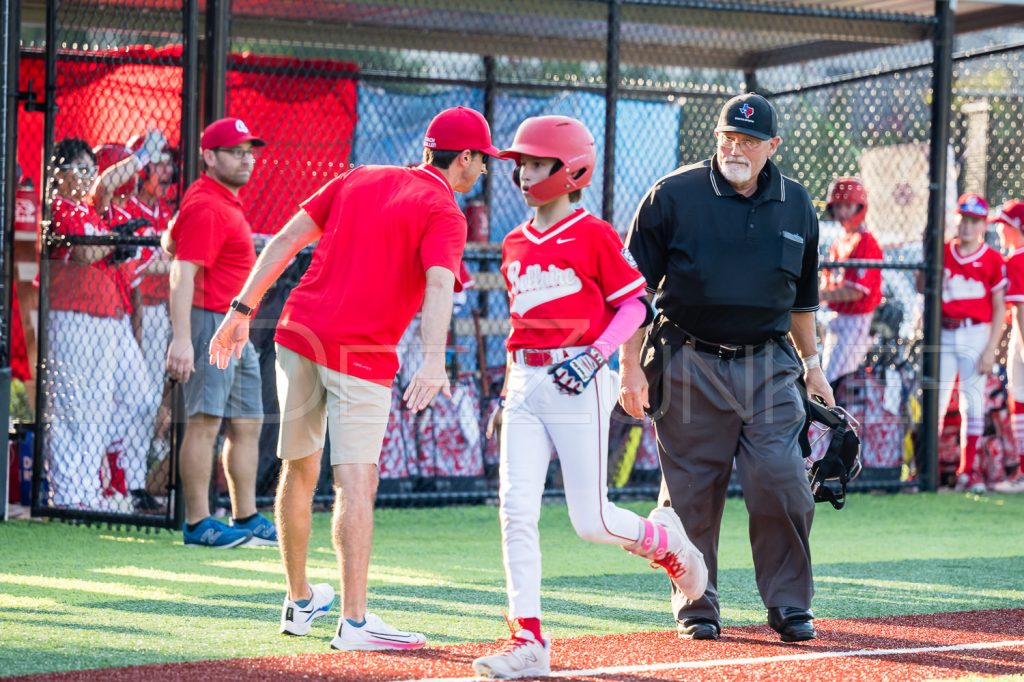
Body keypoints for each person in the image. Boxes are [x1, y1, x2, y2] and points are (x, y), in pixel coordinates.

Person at [207, 106, 497, 649]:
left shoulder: (360, 175)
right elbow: (438, 288)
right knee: (356, 482)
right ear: (465, 158)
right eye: (483, 161)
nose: (484, 171)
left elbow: (285, 241)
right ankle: (356, 623)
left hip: (297, 334)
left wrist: (240, 311)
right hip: (359, 354)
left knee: (298, 468)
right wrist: (433, 361)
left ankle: (298, 602)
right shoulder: (446, 211)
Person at [468, 115, 707, 680]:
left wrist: (599, 355)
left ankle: (666, 541)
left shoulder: (593, 233)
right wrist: (508, 395)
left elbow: (633, 306)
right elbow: (519, 329)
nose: (523, 173)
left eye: (535, 162)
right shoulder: (513, 242)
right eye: (520, 163)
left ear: (570, 169)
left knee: (591, 520)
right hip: (525, 383)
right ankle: (528, 640)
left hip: (581, 380)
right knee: (515, 513)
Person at [620, 93, 833, 643]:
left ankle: (789, 606)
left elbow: (802, 302)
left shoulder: (796, 204)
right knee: (692, 490)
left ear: (772, 147)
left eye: (747, 140)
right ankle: (698, 604)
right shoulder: (673, 195)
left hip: (769, 363)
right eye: (727, 138)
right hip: (689, 357)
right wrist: (630, 367)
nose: (735, 148)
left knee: (783, 481)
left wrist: (813, 365)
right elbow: (631, 293)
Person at [164, 117, 277, 548]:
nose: (247, 159)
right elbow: (181, 271)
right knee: (205, 423)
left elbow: (172, 243)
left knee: (246, 423)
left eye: (250, 151)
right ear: (209, 157)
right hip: (210, 321)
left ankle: (244, 515)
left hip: (235, 324)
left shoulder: (218, 198)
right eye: (236, 152)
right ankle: (197, 523)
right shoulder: (208, 203)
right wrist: (181, 338)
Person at [44, 135, 164, 512]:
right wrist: (115, 242)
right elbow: (84, 252)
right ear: (58, 176)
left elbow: (103, 242)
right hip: (70, 315)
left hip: (103, 316)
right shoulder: (60, 206)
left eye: (89, 169)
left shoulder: (93, 212)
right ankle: (66, 497)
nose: (86, 177)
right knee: (70, 409)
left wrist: (115, 244)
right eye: (78, 169)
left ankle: (90, 491)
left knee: (96, 408)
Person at [929, 193, 1006, 493]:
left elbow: (1000, 306)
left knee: (973, 401)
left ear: (983, 225)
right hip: (946, 331)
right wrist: (928, 249)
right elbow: (924, 287)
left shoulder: (992, 258)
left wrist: (991, 348)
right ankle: (930, 471)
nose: (967, 226)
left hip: (976, 331)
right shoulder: (944, 251)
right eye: (964, 219)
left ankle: (968, 471)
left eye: (974, 221)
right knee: (935, 400)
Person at [818, 177, 883, 384]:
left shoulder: (866, 242)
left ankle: (836, 416)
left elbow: (856, 291)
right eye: (838, 205)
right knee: (828, 377)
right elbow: (827, 281)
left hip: (856, 320)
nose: (842, 211)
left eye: (848, 205)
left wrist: (819, 295)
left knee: (835, 380)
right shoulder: (839, 242)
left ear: (860, 207)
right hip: (835, 315)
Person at [992, 199, 1024, 493]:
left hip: (1022, 335)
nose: (1000, 230)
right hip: (1016, 333)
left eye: (1005, 225)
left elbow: (1021, 311)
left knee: (1020, 400)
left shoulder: (1016, 260)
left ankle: (1022, 472)